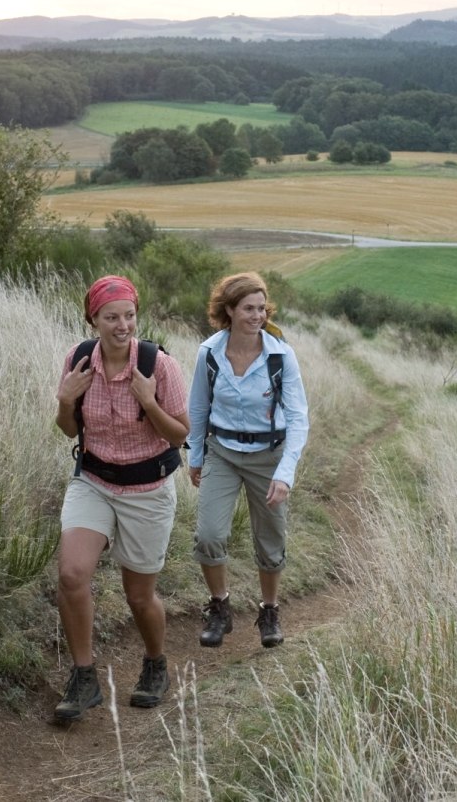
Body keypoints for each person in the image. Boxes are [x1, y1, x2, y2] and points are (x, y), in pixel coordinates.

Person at [51, 275, 190, 723]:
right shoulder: (78, 361)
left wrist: (149, 404)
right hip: (93, 481)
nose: (122, 325)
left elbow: (182, 433)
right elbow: (70, 431)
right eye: (111, 317)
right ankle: (84, 676)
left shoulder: (157, 365)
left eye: (129, 316)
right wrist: (65, 402)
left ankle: (155, 664)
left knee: (139, 596)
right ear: (93, 319)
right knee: (72, 575)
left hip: (148, 490)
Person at [187, 272, 309, 649]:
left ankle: (269, 611)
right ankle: (220, 607)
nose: (257, 316)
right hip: (221, 452)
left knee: (270, 539)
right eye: (248, 308)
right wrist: (195, 454)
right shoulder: (209, 353)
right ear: (229, 310)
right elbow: (198, 406)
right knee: (209, 535)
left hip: (269, 455)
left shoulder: (280, 356)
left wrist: (285, 473)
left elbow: (299, 418)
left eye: (261, 308)